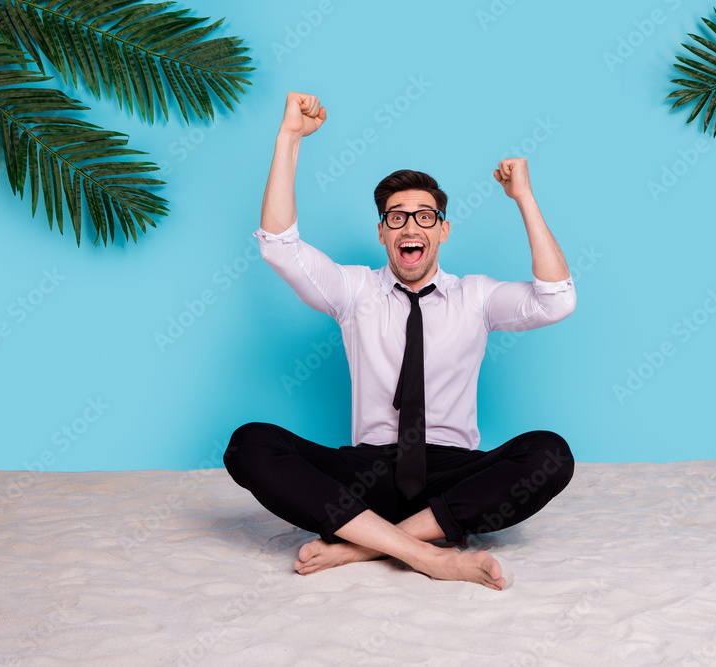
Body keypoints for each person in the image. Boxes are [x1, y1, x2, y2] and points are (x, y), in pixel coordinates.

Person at [223, 92, 576, 591]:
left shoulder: (476, 296)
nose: (411, 225)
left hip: (452, 476)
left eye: (424, 216)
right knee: (249, 444)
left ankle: (361, 546)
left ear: (443, 230)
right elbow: (281, 247)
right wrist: (289, 139)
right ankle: (427, 556)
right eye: (397, 217)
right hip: (364, 474)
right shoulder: (353, 291)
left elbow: (556, 300)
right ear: (384, 234)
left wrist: (525, 198)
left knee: (550, 453)